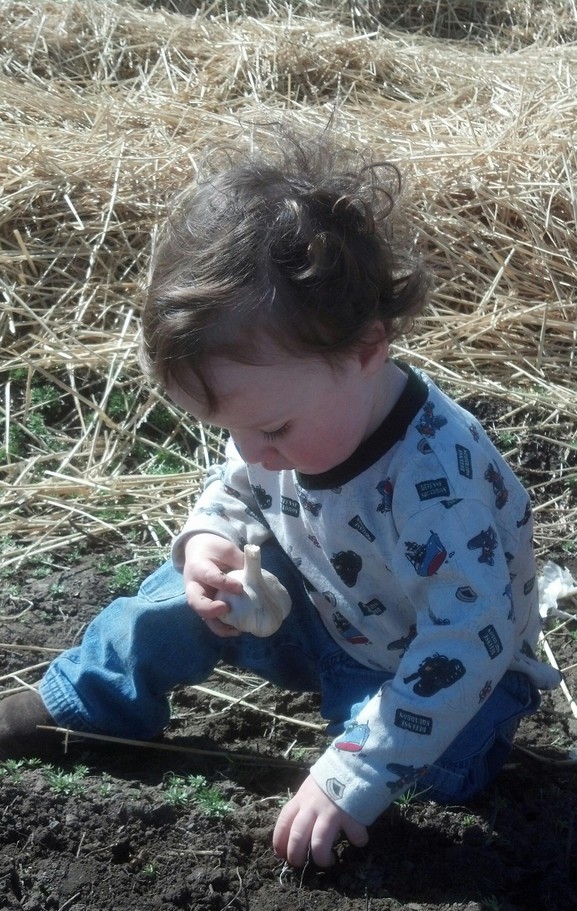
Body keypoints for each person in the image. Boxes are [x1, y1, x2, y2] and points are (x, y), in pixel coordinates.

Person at [0, 131, 560, 868]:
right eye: (228, 429)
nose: (253, 452)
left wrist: (357, 771)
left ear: (366, 349)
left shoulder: (438, 481)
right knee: (170, 599)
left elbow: (465, 642)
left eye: (268, 429)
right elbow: (234, 486)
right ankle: (81, 701)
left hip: (444, 665)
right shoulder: (283, 416)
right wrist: (208, 545)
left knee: (443, 766)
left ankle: (359, 752)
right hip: (316, 616)